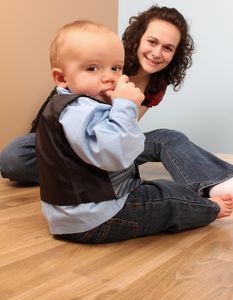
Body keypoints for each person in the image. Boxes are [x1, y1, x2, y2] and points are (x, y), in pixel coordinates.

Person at [1, 5, 233, 197]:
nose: (157, 53)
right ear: (138, 39)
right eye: (152, 42)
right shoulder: (104, 62)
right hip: (66, 141)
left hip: (109, 143)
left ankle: (217, 183)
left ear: (175, 55)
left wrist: (125, 104)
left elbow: (126, 130)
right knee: (14, 156)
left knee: (169, 138)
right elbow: (56, 114)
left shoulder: (155, 87)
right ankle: (85, 175)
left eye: (167, 48)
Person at [36, 19, 232, 243]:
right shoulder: (81, 108)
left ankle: (216, 181)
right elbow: (119, 156)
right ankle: (210, 208)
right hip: (97, 217)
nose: (109, 76)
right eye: (92, 68)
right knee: (167, 196)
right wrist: (125, 107)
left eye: (115, 68)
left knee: (166, 148)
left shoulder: (79, 102)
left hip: (69, 216)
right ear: (61, 78)